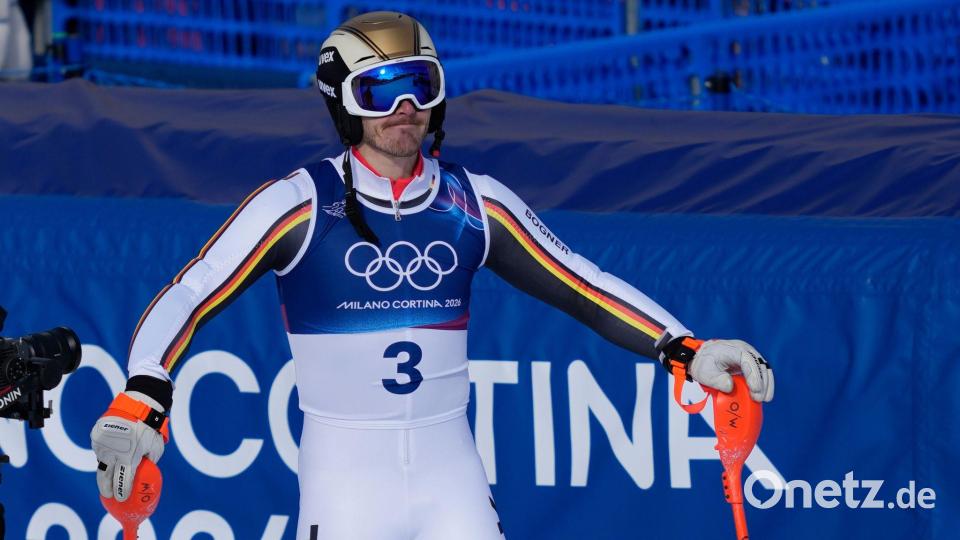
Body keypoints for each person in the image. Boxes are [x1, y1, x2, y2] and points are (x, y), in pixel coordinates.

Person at [90, 11, 774, 540]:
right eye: (380, 90)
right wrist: (142, 390)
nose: (403, 107)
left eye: (419, 85)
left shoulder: (476, 201)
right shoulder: (297, 201)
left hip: (452, 474)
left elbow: (582, 284)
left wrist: (685, 348)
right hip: (346, 479)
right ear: (344, 103)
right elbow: (192, 290)